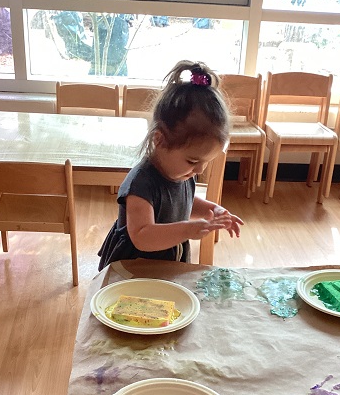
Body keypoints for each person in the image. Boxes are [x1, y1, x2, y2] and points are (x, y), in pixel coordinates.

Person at [97, 60, 243, 271]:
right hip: (134, 267)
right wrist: (187, 230)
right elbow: (142, 236)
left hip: (167, 259)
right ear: (159, 140)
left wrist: (213, 209)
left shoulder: (181, 172)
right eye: (193, 161)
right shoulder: (140, 184)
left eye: (205, 162)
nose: (199, 170)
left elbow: (182, 201)